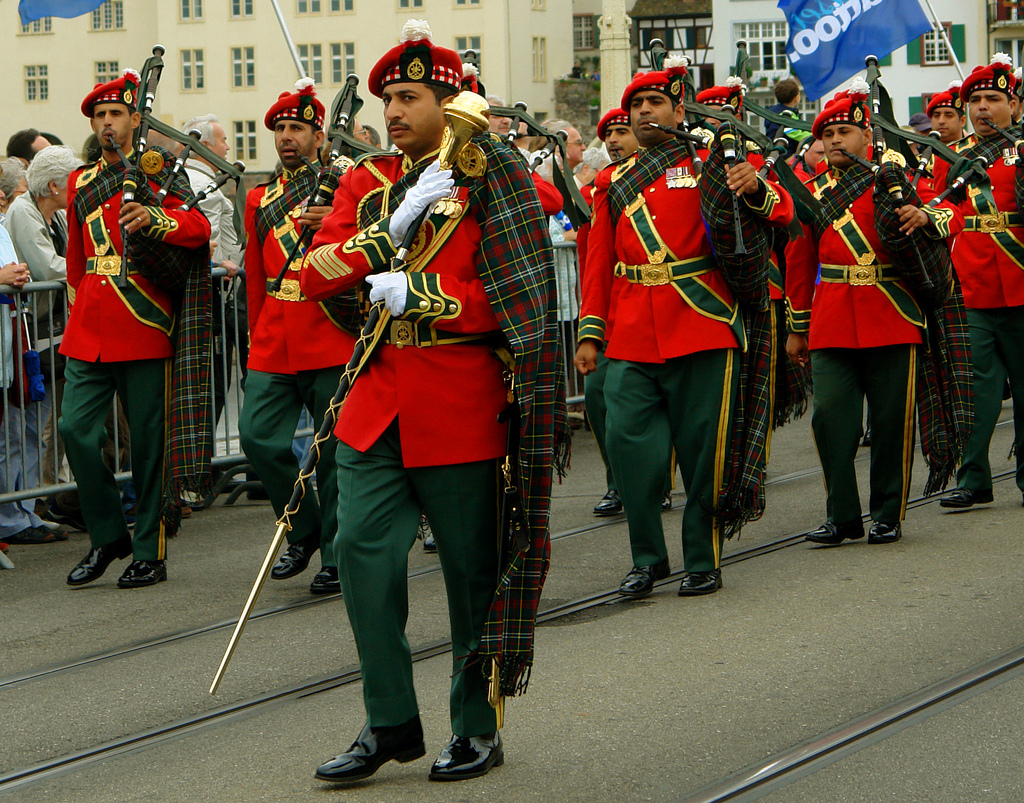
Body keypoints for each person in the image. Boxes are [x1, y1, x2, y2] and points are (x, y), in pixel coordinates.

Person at [300, 18, 562, 784]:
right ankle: (388, 720)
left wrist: (424, 292)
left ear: (450, 102)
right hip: (377, 403)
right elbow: (316, 272)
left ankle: (476, 725)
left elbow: (519, 297)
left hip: (458, 396)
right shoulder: (368, 181)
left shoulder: (495, 174)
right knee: (360, 561)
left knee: (471, 579)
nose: (394, 112)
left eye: (409, 97)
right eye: (388, 100)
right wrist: (391, 234)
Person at [575, 58, 793, 597]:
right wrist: (590, 330)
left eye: (654, 104)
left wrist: (754, 186)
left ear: (678, 109)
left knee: (703, 456)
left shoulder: (711, 161)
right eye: (635, 107)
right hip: (629, 332)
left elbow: (783, 212)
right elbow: (598, 262)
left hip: (702, 324)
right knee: (631, 453)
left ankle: (703, 556)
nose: (644, 113)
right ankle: (648, 558)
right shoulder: (612, 182)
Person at [786, 78, 967, 546]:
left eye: (844, 131)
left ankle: (888, 512)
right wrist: (798, 326)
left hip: (891, 313)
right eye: (827, 134)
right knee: (830, 419)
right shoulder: (810, 191)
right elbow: (801, 261)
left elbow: (951, 214)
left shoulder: (892, 179)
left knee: (890, 423)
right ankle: (842, 515)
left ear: (867, 136)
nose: (834, 140)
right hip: (830, 319)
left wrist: (928, 217)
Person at [61, 68, 213, 588]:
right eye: (99, 116)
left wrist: (157, 219)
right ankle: (108, 537)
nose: (107, 124)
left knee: (149, 448)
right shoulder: (80, 182)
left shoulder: (158, 172)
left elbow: (199, 227)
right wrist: (76, 311)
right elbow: (77, 263)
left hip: (144, 321)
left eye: (116, 115)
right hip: (90, 328)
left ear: (134, 119)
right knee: (75, 432)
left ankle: (149, 548)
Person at [238, 80, 355, 594]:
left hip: (327, 330)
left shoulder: (343, 186)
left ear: (318, 134)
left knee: (329, 453)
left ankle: (334, 553)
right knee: (257, 438)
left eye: (296, 128)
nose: (286, 137)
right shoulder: (261, 197)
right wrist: (252, 337)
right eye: (280, 129)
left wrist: (333, 219)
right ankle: (303, 528)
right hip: (273, 337)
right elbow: (254, 277)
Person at [936, 56, 1024, 509]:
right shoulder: (957, 157)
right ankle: (974, 478)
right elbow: (943, 210)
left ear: (1015, 104)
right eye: (975, 100)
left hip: (1022, 286)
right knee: (974, 389)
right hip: (972, 288)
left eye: (993, 99)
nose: (982, 108)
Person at [4, 145, 79, 508]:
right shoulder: (22, 211)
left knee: (40, 426)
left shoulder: (58, 217)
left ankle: (34, 505)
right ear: (53, 187)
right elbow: (49, 267)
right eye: (72, 183)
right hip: (32, 331)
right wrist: (91, 268)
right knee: (28, 427)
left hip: (52, 330)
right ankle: (26, 506)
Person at [584, 107, 637, 516]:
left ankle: (651, 481)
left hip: (653, 307)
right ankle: (618, 480)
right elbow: (596, 260)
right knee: (597, 396)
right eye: (609, 134)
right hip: (612, 312)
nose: (614, 140)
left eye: (623, 131)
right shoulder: (600, 187)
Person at [180, 114, 248, 433]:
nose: (227, 148)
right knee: (210, 390)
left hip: (210, 291)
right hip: (208, 296)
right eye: (222, 141)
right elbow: (204, 240)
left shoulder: (196, 180)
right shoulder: (200, 185)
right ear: (204, 145)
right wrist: (221, 268)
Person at [765, 77, 802, 152]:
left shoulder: (773, 112)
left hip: (773, 150)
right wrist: (811, 135)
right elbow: (795, 133)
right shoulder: (787, 115)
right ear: (796, 97)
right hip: (785, 152)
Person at [928, 81, 968, 145]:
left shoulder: (974, 151)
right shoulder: (924, 153)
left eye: (949, 115)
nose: (941, 121)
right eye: (936, 115)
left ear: (962, 121)